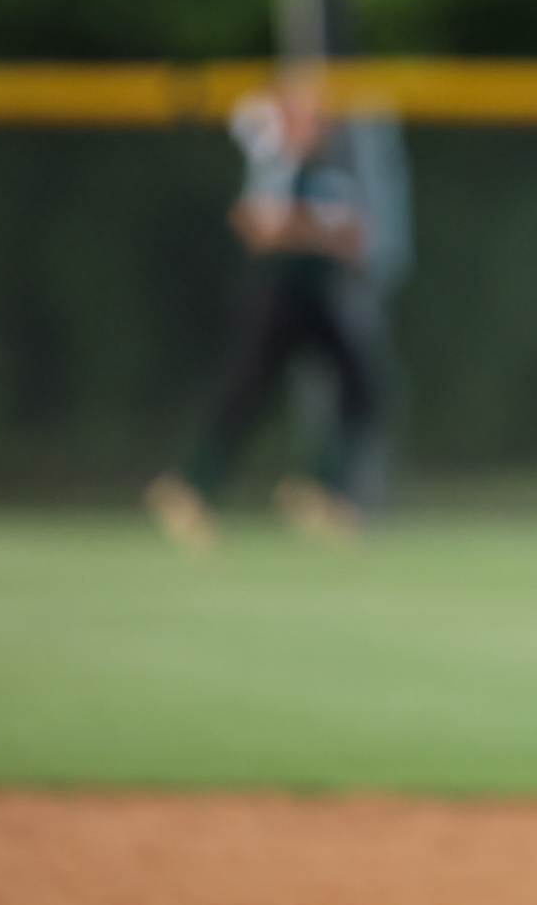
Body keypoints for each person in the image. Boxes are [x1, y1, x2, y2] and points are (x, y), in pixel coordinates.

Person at [146, 76, 380, 551]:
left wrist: (303, 228)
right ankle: (188, 488)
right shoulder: (275, 167)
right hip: (273, 296)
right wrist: (316, 232)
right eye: (310, 118)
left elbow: (357, 243)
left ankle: (320, 489)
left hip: (315, 299)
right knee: (245, 392)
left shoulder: (329, 177)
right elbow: (258, 229)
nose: (321, 126)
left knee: (361, 386)